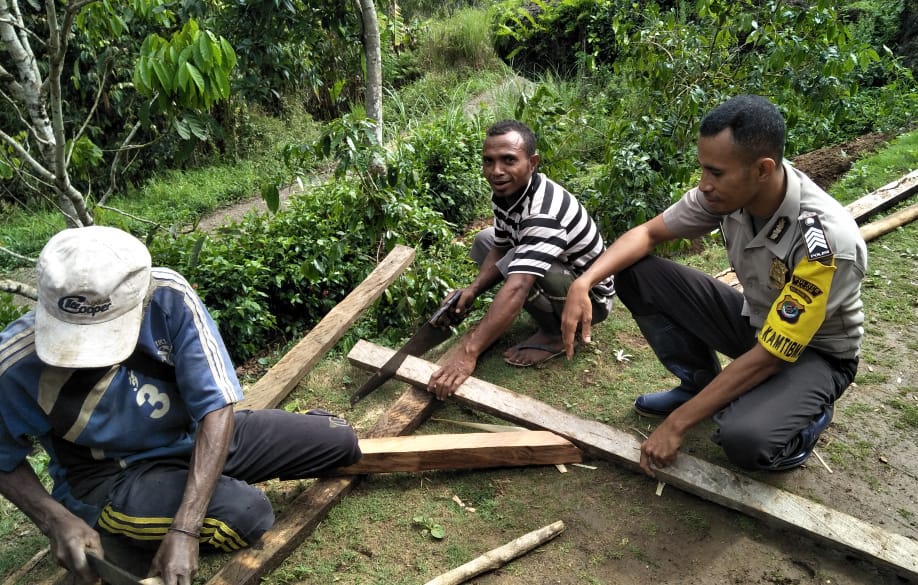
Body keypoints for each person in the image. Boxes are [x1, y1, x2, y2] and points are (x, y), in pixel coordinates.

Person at [0, 226, 362, 584]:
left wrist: (186, 529)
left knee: (339, 440)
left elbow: (216, 407)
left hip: (191, 440)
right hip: (112, 479)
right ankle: (122, 523)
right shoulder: (14, 365)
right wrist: (52, 518)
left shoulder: (168, 297)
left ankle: (182, 499)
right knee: (246, 514)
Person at [561, 95, 866, 474]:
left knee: (744, 440)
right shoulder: (727, 195)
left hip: (816, 353)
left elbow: (774, 353)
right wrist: (584, 281)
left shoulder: (826, 243)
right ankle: (698, 382)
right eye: (703, 169)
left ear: (762, 169)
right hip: (757, 323)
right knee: (637, 273)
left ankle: (808, 415)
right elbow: (647, 233)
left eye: (716, 172)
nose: (704, 185)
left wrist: (678, 424)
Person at [427, 119, 615, 399]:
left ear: (532, 162)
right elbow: (500, 245)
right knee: (486, 240)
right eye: (488, 161)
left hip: (590, 298)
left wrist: (468, 352)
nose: (496, 171)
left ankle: (555, 336)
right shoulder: (506, 193)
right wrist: (473, 290)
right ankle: (543, 317)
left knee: (519, 265)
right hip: (558, 272)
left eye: (508, 160)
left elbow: (518, 285)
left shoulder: (543, 213)